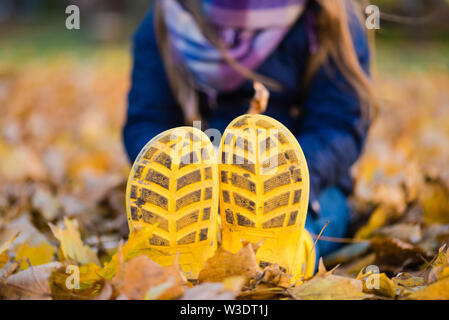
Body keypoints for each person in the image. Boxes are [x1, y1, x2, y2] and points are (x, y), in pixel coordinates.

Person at [123, 0, 373, 281]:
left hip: (311, 180)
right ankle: (184, 259)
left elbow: (338, 124)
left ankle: (290, 259)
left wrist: (287, 175)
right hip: (198, 188)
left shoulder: (329, 16)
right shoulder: (170, 16)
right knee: (188, 217)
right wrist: (185, 170)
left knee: (305, 217)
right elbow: (147, 120)